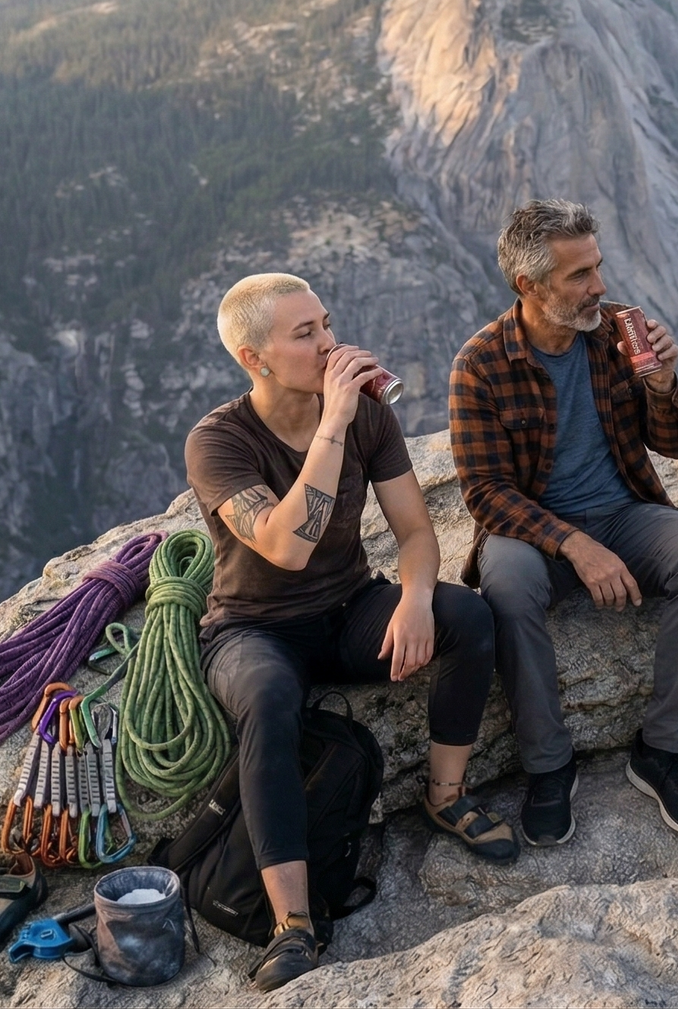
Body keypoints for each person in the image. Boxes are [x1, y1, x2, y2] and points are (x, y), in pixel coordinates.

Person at [186, 273, 509, 994]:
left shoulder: (368, 417)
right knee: (268, 701)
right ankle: (292, 922)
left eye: (325, 323)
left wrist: (417, 596)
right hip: (252, 628)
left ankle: (446, 793)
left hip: (346, 607)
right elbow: (285, 546)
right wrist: (330, 424)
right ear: (254, 358)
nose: (329, 342)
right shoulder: (218, 441)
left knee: (471, 616)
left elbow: (417, 531)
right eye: (305, 334)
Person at [450, 199, 678, 846]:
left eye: (597, 267)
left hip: (625, 509)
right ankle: (548, 764)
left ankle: (664, 748)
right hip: (533, 529)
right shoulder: (481, 364)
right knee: (510, 585)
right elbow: (486, 494)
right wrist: (576, 546)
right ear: (529, 285)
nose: (599, 287)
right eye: (579, 275)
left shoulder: (615, 336)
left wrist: (663, 386)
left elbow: (674, 444)